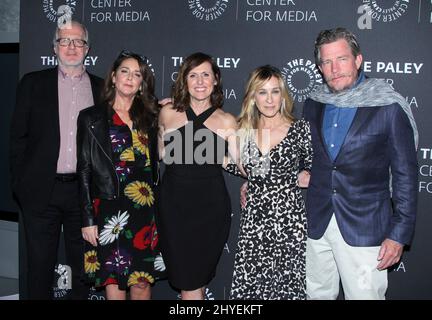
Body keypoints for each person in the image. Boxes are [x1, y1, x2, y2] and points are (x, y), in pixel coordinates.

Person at [303, 27, 418, 300]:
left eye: (341, 59)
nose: (335, 68)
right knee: (315, 295)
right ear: (319, 67)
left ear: (358, 60)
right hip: (316, 223)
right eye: (327, 62)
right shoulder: (314, 103)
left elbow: (405, 176)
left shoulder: (387, 106)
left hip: (365, 227)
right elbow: (302, 158)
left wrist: (398, 234)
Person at [9, 20, 103, 300]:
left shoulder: (102, 89)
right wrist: (21, 185)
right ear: (54, 47)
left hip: (84, 193)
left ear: (87, 48)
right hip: (40, 191)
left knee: (83, 270)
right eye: (65, 41)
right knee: (39, 268)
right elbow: (17, 140)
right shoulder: (33, 83)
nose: (72, 47)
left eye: (78, 42)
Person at [77, 50, 166, 300]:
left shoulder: (151, 116)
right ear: (114, 77)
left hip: (145, 211)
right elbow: (83, 169)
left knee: (141, 283)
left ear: (141, 83)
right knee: (114, 283)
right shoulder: (91, 118)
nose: (130, 77)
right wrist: (87, 219)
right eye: (124, 71)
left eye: (137, 74)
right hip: (108, 209)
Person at [224, 65, 312, 300]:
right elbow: (247, 167)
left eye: (275, 92)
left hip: (290, 222)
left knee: (287, 287)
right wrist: (178, 106)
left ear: (283, 95)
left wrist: (297, 178)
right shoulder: (244, 130)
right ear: (253, 96)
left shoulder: (299, 129)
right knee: (253, 289)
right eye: (262, 92)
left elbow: (321, 171)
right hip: (255, 221)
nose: (270, 100)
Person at [157, 52, 237, 300]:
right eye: (193, 75)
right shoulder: (167, 112)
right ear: (184, 80)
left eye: (206, 74)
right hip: (173, 208)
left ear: (215, 80)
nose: (200, 81)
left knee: (194, 280)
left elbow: (240, 165)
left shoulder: (227, 120)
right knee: (189, 280)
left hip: (209, 210)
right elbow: (160, 154)